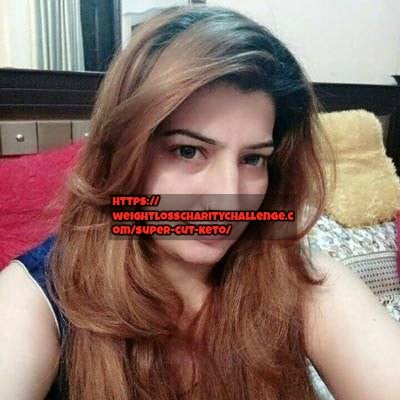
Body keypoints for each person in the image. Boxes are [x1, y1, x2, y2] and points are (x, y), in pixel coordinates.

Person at [1, 5, 399, 400]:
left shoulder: (299, 279)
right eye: (188, 151)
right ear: (123, 153)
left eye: (253, 159)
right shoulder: (36, 299)